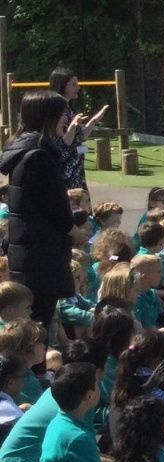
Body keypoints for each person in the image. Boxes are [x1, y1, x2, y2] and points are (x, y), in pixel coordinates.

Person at [0, 91, 78, 327]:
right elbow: (55, 207)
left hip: (28, 253)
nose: (66, 119)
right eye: (62, 114)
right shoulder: (38, 156)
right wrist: (74, 230)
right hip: (41, 257)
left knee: (31, 326)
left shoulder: (24, 150)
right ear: (47, 116)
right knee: (36, 328)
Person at [48, 66, 109, 191]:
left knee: (82, 201)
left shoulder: (69, 108)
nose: (78, 87)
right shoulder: (56, 110)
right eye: (73, 84)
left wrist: (94, 120)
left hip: (77, 169)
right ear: (62, 85)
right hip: (65, 172)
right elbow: (64, 143)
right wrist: (73, 126)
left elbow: (81, 136)